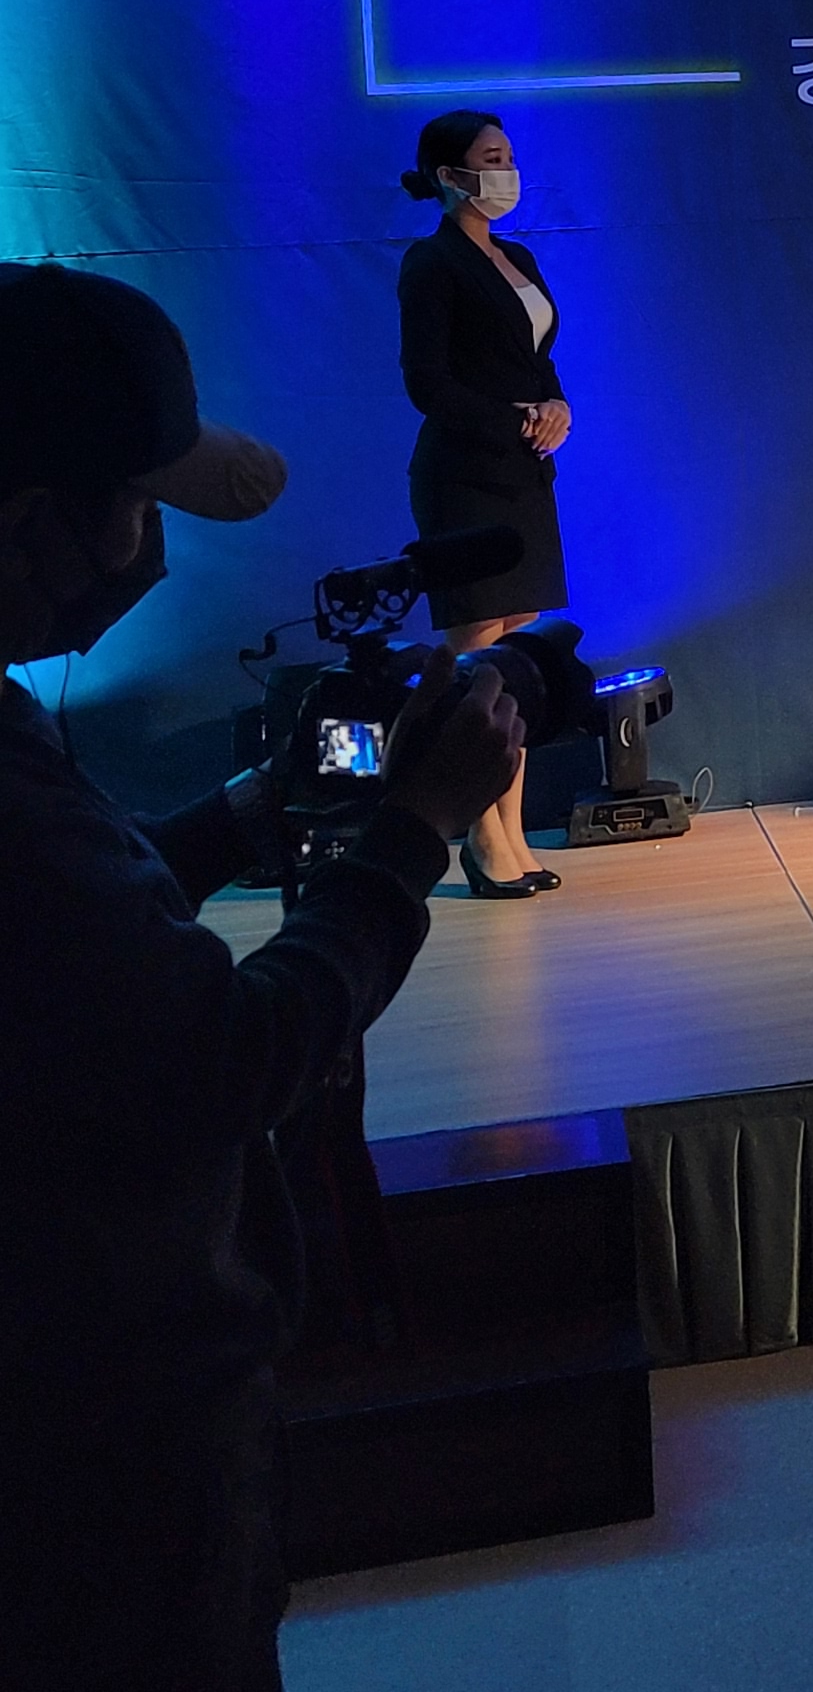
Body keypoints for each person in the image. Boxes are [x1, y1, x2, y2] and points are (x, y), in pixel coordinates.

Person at [0, 260, 522, 1692]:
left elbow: (69, 961)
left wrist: (246, 809)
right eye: (137, 502)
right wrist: (413, 830)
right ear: (35, 526)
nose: (148, 545)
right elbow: (228, 1054)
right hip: (106, 1439)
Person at [398, 108, 572, 895]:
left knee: (515, 651)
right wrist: (513, 419)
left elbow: (537, 360)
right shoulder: (431, 262)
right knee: (476, 647)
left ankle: (512, 827)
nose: (507, 171)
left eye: (508, 156)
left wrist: (556, 407)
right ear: (449, 175)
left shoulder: (518, 256)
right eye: (491, 158)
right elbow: (427, 383)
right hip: (465, 473)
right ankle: (478, 831)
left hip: (525, 474)